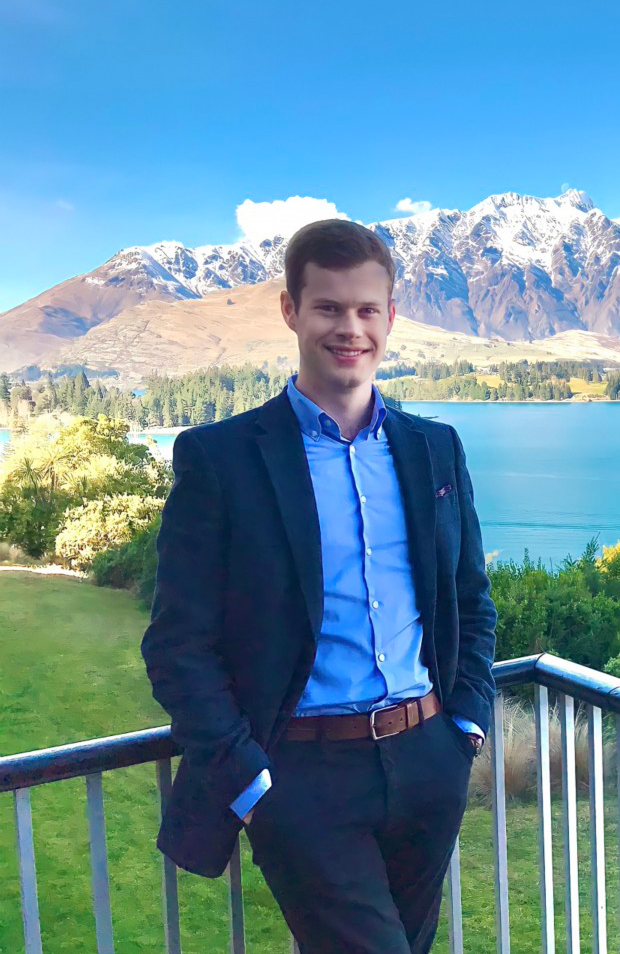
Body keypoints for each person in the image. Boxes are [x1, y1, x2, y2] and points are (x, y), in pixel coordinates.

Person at [141, 218, 498, 954]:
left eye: (368, 310)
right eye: (329, 307)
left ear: (392, 317)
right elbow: (178, 644)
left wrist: (464, 724)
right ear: (291, 311)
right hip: (302, 779)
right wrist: (250, 780)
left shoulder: (435, 448)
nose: (350, 328)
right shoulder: (221, 459)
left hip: (429, 758)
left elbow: (470, 597)